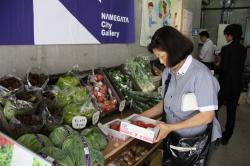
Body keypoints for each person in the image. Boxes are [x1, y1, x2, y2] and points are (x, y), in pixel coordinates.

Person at [142, 26, 221, 166]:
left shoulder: (201, 75)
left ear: (174, 51)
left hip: (196, 142)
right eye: (157, 57)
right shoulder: (168, 72)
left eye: (162, 56)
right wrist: (143, 116)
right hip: (175, 137)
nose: (160, 62)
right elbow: (166, 102)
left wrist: (170, 128)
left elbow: (207, 116)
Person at [218, 24, 247, 145]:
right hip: (237, 85)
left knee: (214, 108)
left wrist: (217, 65)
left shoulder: (226, 49)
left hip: (225, 85)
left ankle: (214, 132)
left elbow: (223, 69)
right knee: (232, 111)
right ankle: (226, 137)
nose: (225, 37)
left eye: (226, 35)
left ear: (230, 35)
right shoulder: (243, 49)